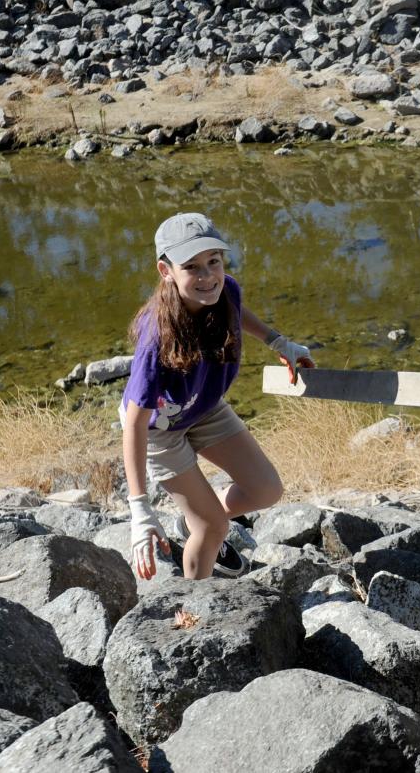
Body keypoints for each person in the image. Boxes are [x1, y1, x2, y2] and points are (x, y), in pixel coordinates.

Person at [123, 212, 315, 581]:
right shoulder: (156, 334)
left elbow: (236, 309)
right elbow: (133, 424)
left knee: (266, 489)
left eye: (214, 261)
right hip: (160, 429)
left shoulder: (225, 288)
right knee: (213, 530)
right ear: (166, 271)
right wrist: (139, 511)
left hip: (205, 409)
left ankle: (192, 520)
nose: (207, 276)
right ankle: (193, 608)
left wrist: (278, 341)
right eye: (192, 267)